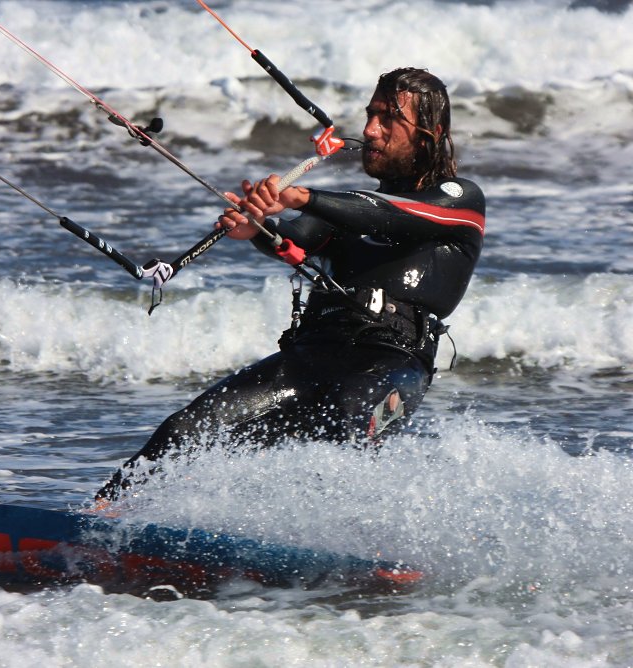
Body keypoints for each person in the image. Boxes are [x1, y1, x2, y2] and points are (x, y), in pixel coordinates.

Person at [95, 67, 485, 502]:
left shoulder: (459, 200)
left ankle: (358, 552)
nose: (371, 130)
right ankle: (100, 522)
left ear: (430, 132)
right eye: (370, 115)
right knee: (188, 428)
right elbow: (297, 237)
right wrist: (257, 226)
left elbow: (390, 213)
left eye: (388, 118)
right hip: (311, 355)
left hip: (390, 362)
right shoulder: (343, 211)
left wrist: (301, 195)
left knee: (348, 424)